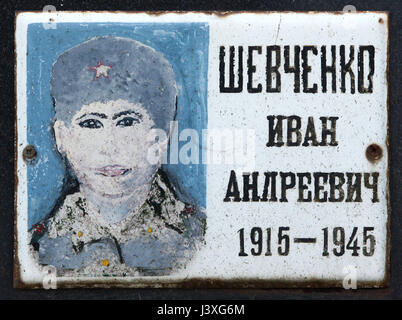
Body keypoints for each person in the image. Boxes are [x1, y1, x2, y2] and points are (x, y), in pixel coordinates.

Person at [30, 36, 206, 277]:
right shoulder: (35, 248)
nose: (110, 146)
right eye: (91, 123)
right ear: (62, 137)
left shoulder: (202, 236)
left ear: (162, 136)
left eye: (127, 122)